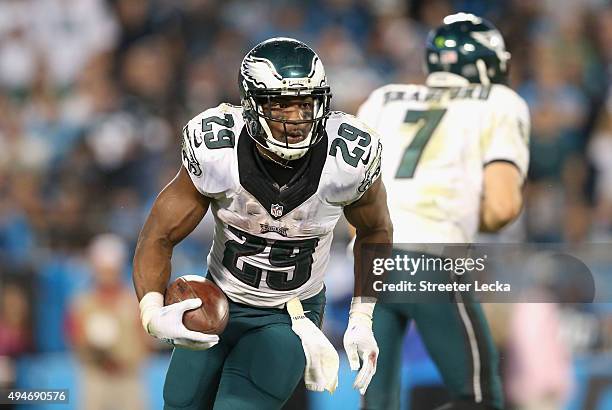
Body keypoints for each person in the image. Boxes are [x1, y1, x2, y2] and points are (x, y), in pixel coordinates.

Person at [133, 37, 393, 410]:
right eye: (281, 103)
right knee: (179, 402)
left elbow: (377, 229)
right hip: (218, 298)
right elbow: (158, 235)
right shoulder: (216, 148)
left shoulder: (348, 158)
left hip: (290, 315)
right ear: (252, 104)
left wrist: (362, 316)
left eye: (305, 103)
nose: (297, 117)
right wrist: (151, 312)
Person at [356, 13, 530, 410]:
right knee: (478, 399)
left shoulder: (382, 99)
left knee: (377, 402)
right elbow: (502, 208)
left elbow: (350, 194)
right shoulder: (500, 102)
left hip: (369, 264)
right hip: (430, 261)